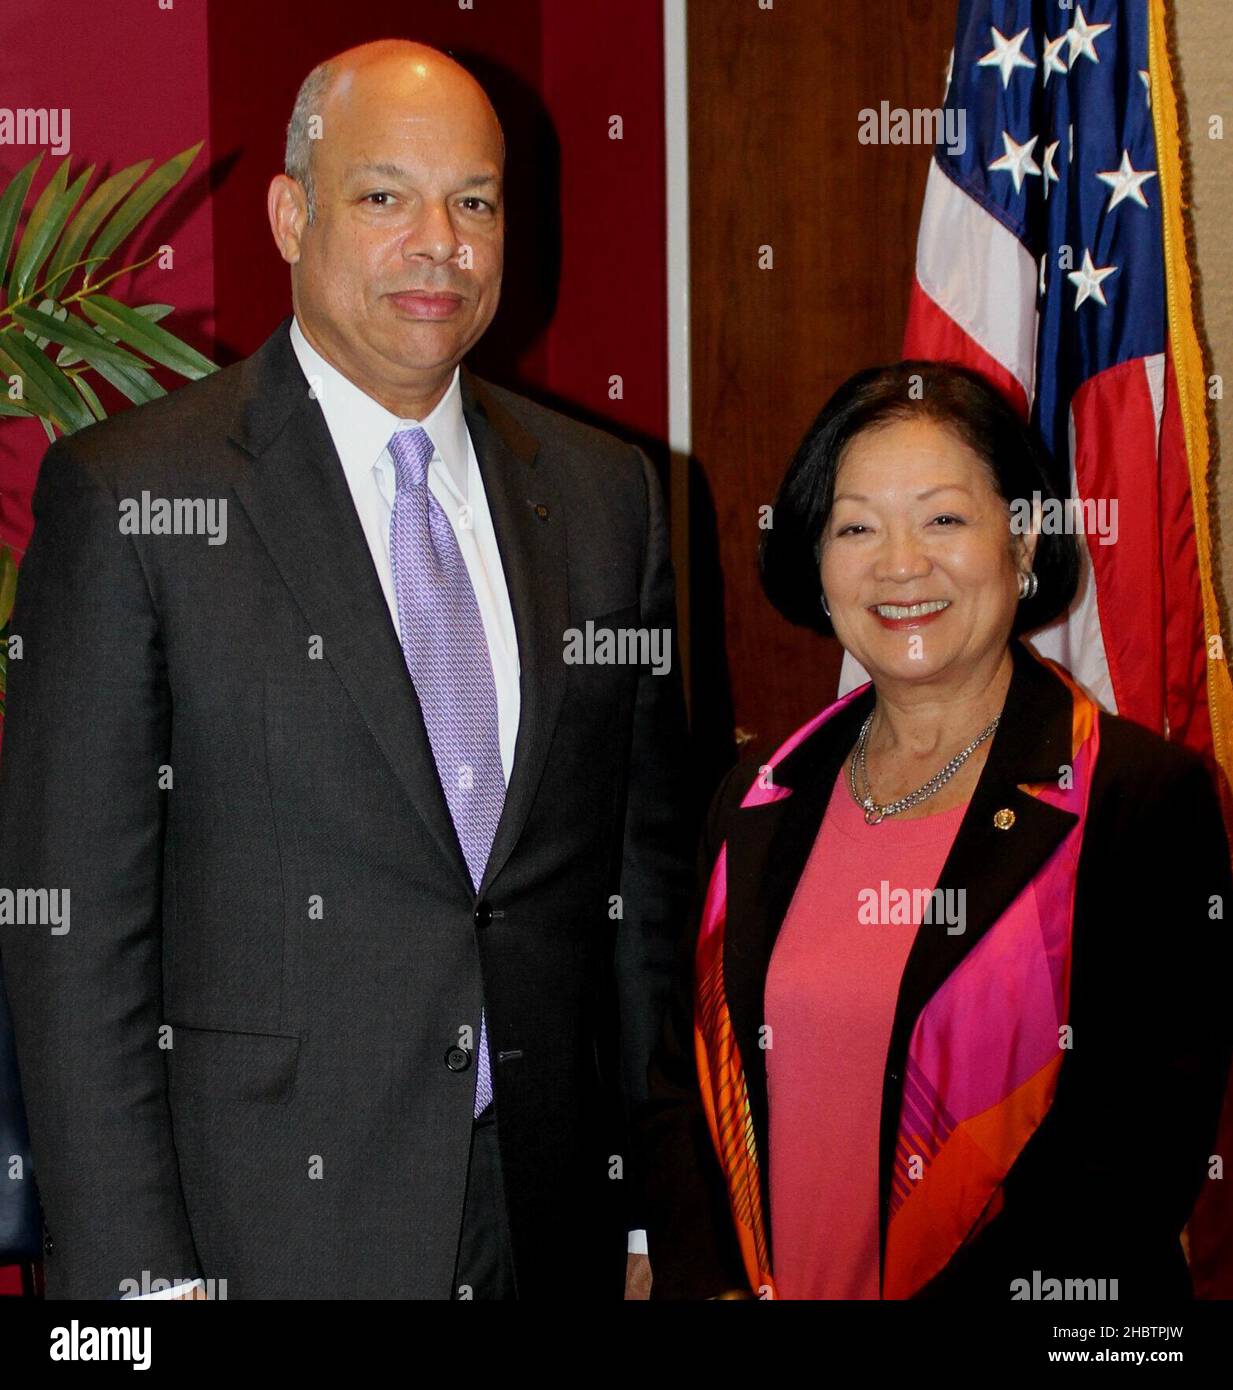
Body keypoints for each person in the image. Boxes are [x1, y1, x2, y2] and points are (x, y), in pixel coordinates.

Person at [0, 39, 691, 1300]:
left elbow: (634, 901)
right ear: (290, 213)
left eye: (475, 201)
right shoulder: (136, 497)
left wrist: (649, 1212)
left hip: (549, 1223)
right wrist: (139, 1291)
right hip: (259, 1236)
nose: (442, 242)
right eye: (385, 196)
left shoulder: (608, 499)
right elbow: (75, 945)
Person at [639, 360, 1233, 1300]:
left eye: (943, 518)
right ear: (818, 565)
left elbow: (1131, 1167)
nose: (899, 562)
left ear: (1024, 536)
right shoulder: (757, 796)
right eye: (856, 526)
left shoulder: (1136, 799)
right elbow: (682, 1084)